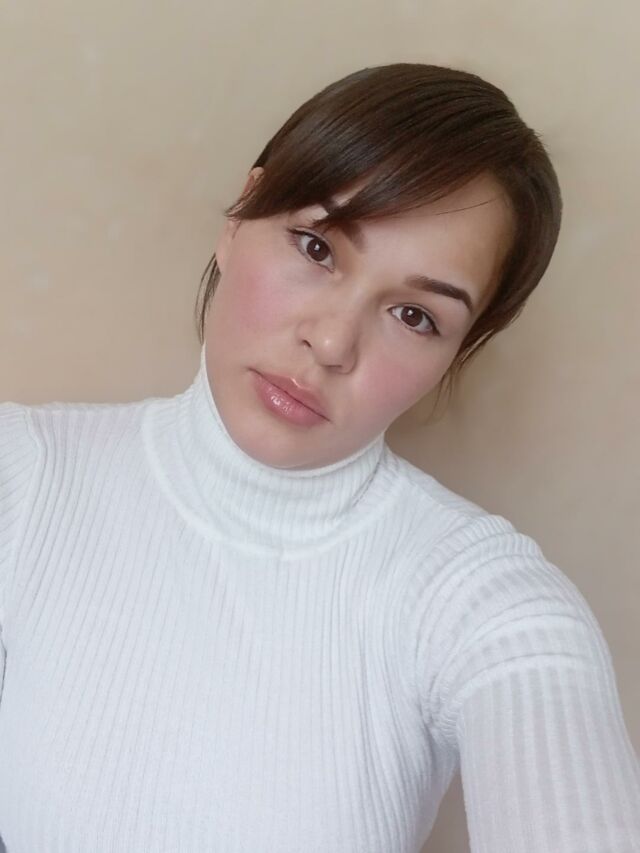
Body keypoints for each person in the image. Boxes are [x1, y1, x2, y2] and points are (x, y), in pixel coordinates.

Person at [0, 62, 638, 853]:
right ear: (239, 215)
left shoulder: (484, 598)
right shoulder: (23, 478)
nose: (332, 342)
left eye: (414, 315)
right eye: (318, 247)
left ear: (459, 350)